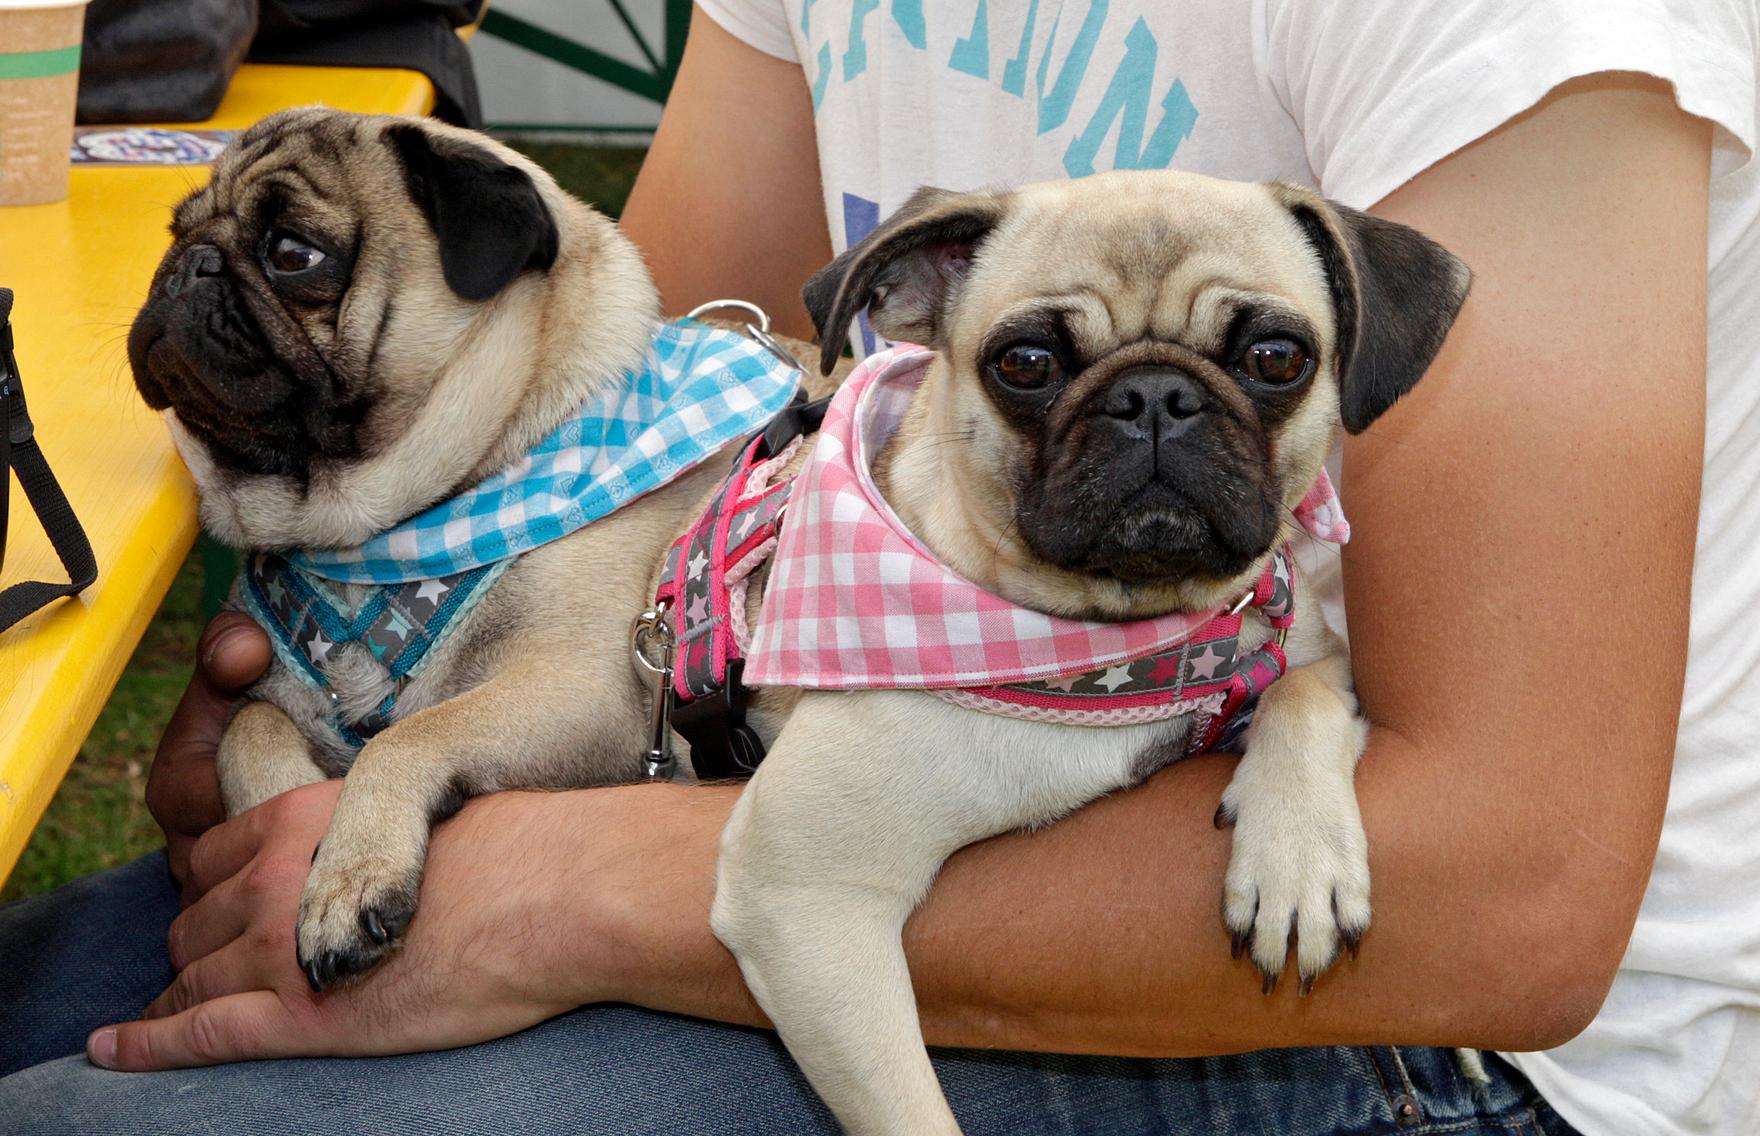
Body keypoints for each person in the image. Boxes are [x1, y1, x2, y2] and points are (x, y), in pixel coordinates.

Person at [2, 2, 1755, 1133]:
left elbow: (1513, 910)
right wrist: (378, 671)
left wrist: (573, 887)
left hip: (1403, 1024)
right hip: (798, 784)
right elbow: (623, 416)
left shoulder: (1513, 27)